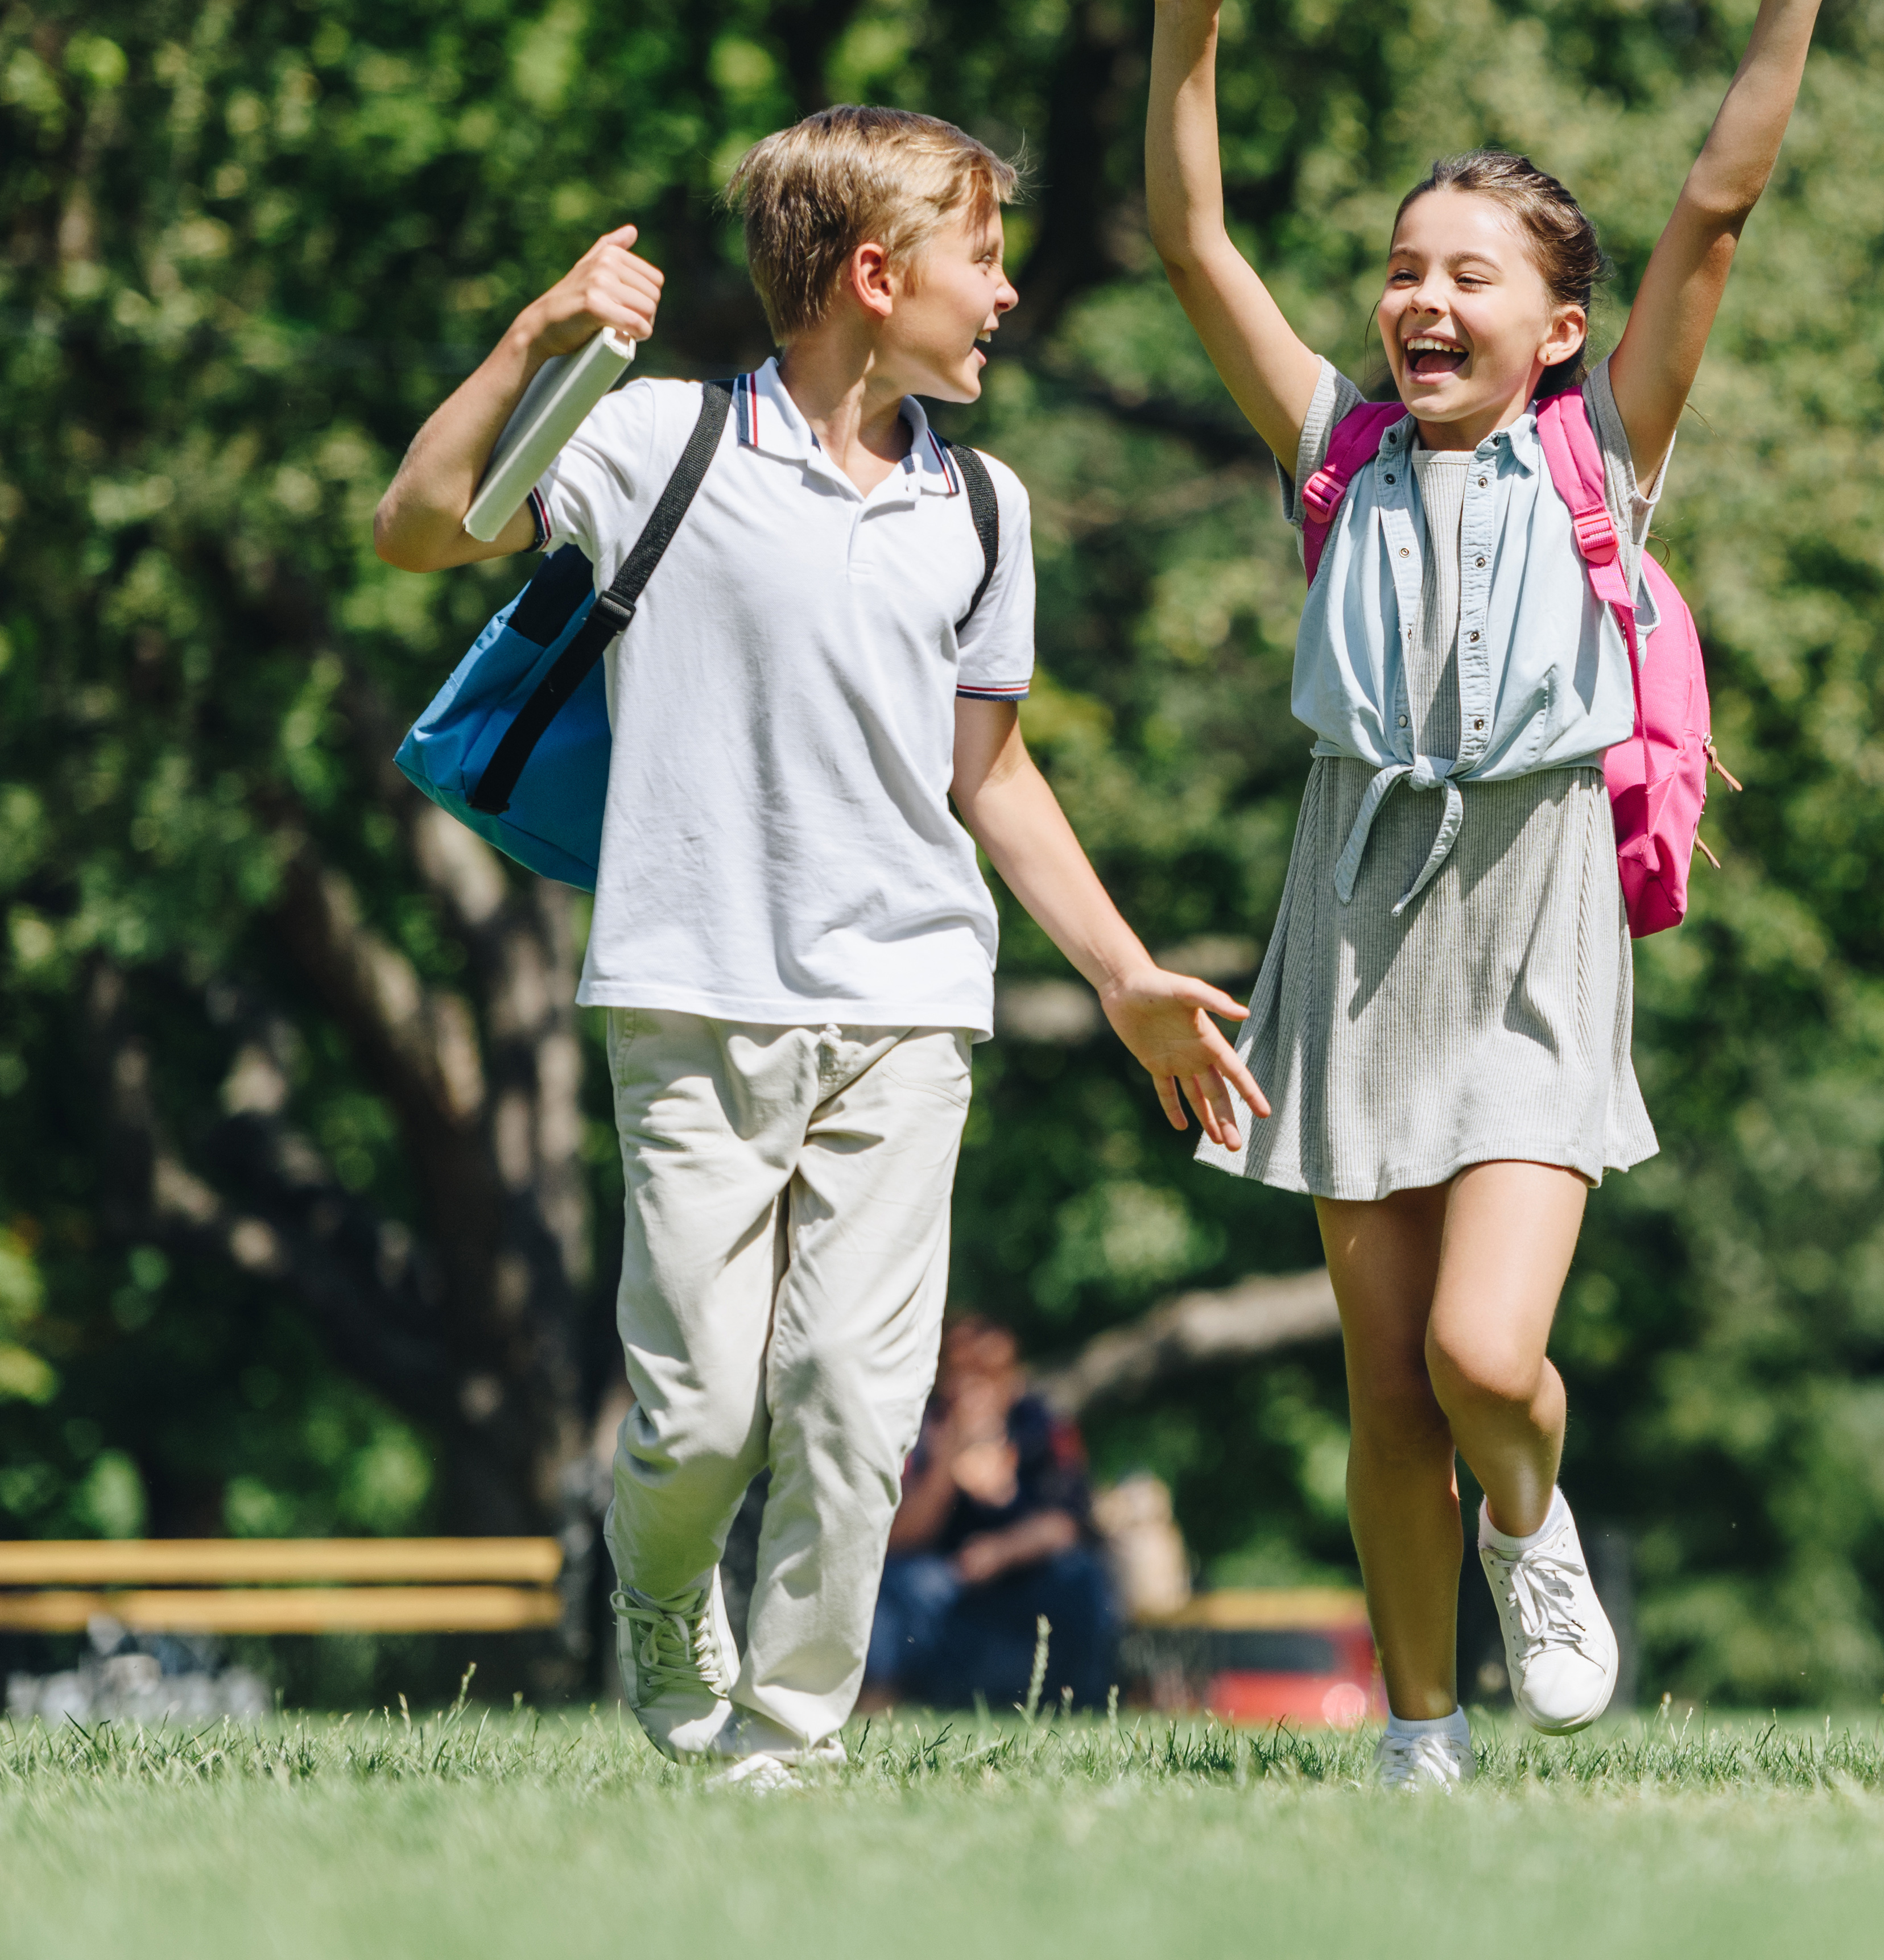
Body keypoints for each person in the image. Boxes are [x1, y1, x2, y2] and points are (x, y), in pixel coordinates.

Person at [369, 111, 1263, 1788]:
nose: (1003, 295)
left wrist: (1125, 971)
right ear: (875, 274)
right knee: (700, 1411)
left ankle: (789, 1731)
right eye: (981, 258)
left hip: (908, 1012)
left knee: (856, 1403)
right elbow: (421, 529)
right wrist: (530, 343)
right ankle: (654, 1588)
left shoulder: (980, 509)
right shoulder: (655, 443)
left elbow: (985, 773)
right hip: (688, 998)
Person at [1142, 0, 1884, 1791]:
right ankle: (1418, 1736)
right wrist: (1186, 33)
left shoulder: (1603, 456)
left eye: (1466, 273)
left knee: (1483, 1359)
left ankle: (1530, 1520)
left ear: (1557, 324)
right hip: (1354, 903)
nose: (1417, 297)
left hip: (1533, 916)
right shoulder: (1336, 452)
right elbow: (1192, 241)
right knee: (1384, 1380)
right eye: (1400, 269)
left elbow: (1713, 209)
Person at [865, 1315, 1121, 1712]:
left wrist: (1000, 1551)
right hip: (940, 1579)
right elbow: (898, 1536)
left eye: (988, 1372)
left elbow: (1068, 1521)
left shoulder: (1040, 1424)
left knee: (1082, 1574)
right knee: (898, 1584)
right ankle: (880, 1699)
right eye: (963, 1371)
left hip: (1022, 1574)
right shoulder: (921, 1426)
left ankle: (1084, 1699)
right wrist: (951, 1453)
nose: (974, 1386)